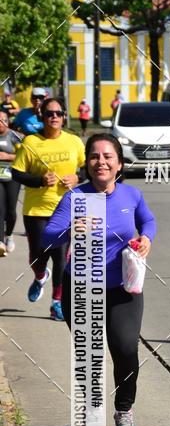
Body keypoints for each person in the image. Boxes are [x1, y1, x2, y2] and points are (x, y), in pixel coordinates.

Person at [42, 134, 156, 426]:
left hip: (122, 288)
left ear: (119, 163)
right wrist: (70, 228)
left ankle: (124, 411)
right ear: (87, 164)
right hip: (81, 289)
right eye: (94, 156)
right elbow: (47, 236)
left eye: (108, 156)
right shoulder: (75, 198)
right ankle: (92, 413)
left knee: (125, 349)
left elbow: (148, 221)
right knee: (89, 354)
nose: (101, 161)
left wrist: (146, 238)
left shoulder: (132, 195)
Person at [11, 97, 85, 320]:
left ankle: (57, 303)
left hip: (65, 208)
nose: (54, 117)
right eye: (49, 113)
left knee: (62, 258)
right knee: (37, 257)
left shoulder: (74, 142)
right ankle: (40, 276)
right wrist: (40, 180)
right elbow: (17, 173)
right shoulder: (31, 142)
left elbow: (88, 169)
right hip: (36, 209)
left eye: (59, 113)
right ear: (42, 117)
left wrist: (77, 177)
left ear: (64, 117)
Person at [0, 112, 21, 255]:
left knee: (11, 212)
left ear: (8, 121)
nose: (1, 122)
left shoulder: (13, 136)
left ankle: (9, 235)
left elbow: (23, 155)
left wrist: (7, 156)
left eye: (3, 120)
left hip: (12, 177)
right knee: (0, 210)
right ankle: (0, 241)